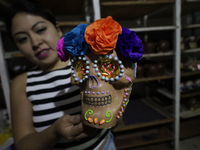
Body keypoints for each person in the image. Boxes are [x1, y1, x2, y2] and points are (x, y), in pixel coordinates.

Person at [4, 0, 116, 149]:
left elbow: (116, 115)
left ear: (58, 29)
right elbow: (23, 145)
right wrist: (54, 132)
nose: (35, 42)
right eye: (22, 39)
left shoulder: (87, 64)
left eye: (40, 29)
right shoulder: (22, 84)